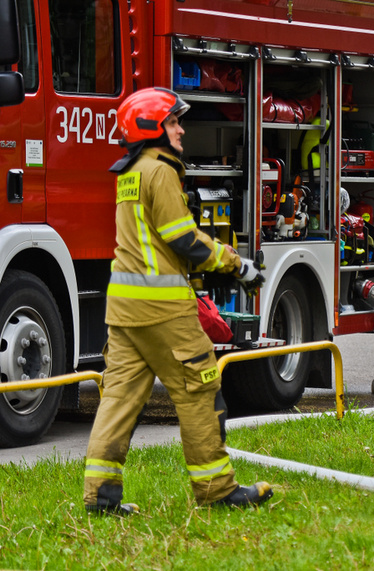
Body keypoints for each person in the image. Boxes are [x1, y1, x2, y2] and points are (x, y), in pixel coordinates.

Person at [84, 87, 273, 515]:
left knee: (118, 400)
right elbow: (182, 238)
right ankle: (217, 491)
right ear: (152, 127)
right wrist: (237, 265)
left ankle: (101, 497)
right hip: (162, 310)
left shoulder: (130, 172)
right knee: (200, 389)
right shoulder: (160, 170)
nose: (181, 129)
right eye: (173, 122)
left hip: (124, 309)